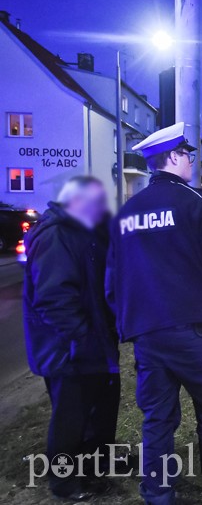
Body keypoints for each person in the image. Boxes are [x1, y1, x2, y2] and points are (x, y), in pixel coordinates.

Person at [105, 123, 202, 505]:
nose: (192, 160)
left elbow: (113, 283)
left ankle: (157, 496)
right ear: (172, 157)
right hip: (196, 333)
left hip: (148, 335)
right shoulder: (199, 203)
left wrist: (130, 325)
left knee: (157, 420)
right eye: (187, 154)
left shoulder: (125, 214)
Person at [23, 176, 119, 502]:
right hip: (68, 351)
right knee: (70, 419)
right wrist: (81, 338)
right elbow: (53, 299)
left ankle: (93, 470)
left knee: (98, 412)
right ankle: (64, 482)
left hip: (91, 344)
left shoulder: (82, 231)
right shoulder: (55, 235)